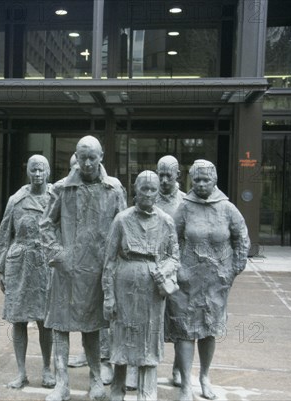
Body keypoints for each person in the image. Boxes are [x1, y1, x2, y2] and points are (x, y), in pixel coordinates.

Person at [41, 135, 127, 401]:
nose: (87, 163)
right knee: (60, 326)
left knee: (93, 327)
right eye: (82, 158)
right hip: (66, 271)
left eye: (92, 157)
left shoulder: (113, 189)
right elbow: (45, 225)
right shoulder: (62, 188)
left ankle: (95, 379)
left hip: (98, 272)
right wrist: (58, 253)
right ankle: (62, 383)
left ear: (102, 156)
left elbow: (125, 227)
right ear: (76, 158)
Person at [166, 159, 250, 401]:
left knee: (208, 331)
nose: (201, 184)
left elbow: (242, 240)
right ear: (192, 180)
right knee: (184, 332)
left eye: (206, 180)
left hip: (216, 281)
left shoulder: (227, 208)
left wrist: (233, 270)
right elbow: (172, 238)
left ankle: (204, 376)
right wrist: (176, 268)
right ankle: (185, 386)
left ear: (215, 180)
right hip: (186, 281)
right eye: (197, 180)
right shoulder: (185, 207)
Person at [103, 171, 180, 401]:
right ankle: (117, 389)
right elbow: (108, 261)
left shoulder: (166, 221)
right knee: (121, 337)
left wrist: (164, 270)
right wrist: (108, 296)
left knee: (149, 338)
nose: (148, 193)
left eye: (152, 189)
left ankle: (148, 391)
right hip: (124, 285)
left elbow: (175, 256)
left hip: (153, 290)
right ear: (135, 189)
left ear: (158, 193)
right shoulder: (122, 219)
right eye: (143, 188)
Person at [0, 155, 56, 389]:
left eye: (41, 170)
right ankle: (21, 372)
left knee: (45, 321)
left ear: (48, 172)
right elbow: (4, 234)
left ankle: (47, 369)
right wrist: (0, 268)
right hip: (19, 264)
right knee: (18, 320)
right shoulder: (16, 200)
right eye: (33, 170)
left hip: (45, 264)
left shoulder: (55, 198)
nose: (37, 174)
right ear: (28, 172)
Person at [154, 155, 186, 387]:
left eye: (168, 175)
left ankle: (178, 369)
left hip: (178, 269)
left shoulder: (185, 202)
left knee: (179, 321)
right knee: (150, 320)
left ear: (178, 175)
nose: (164, 180)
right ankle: (147, 367)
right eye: (160, 174)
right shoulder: (149, 197)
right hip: (153, 268)